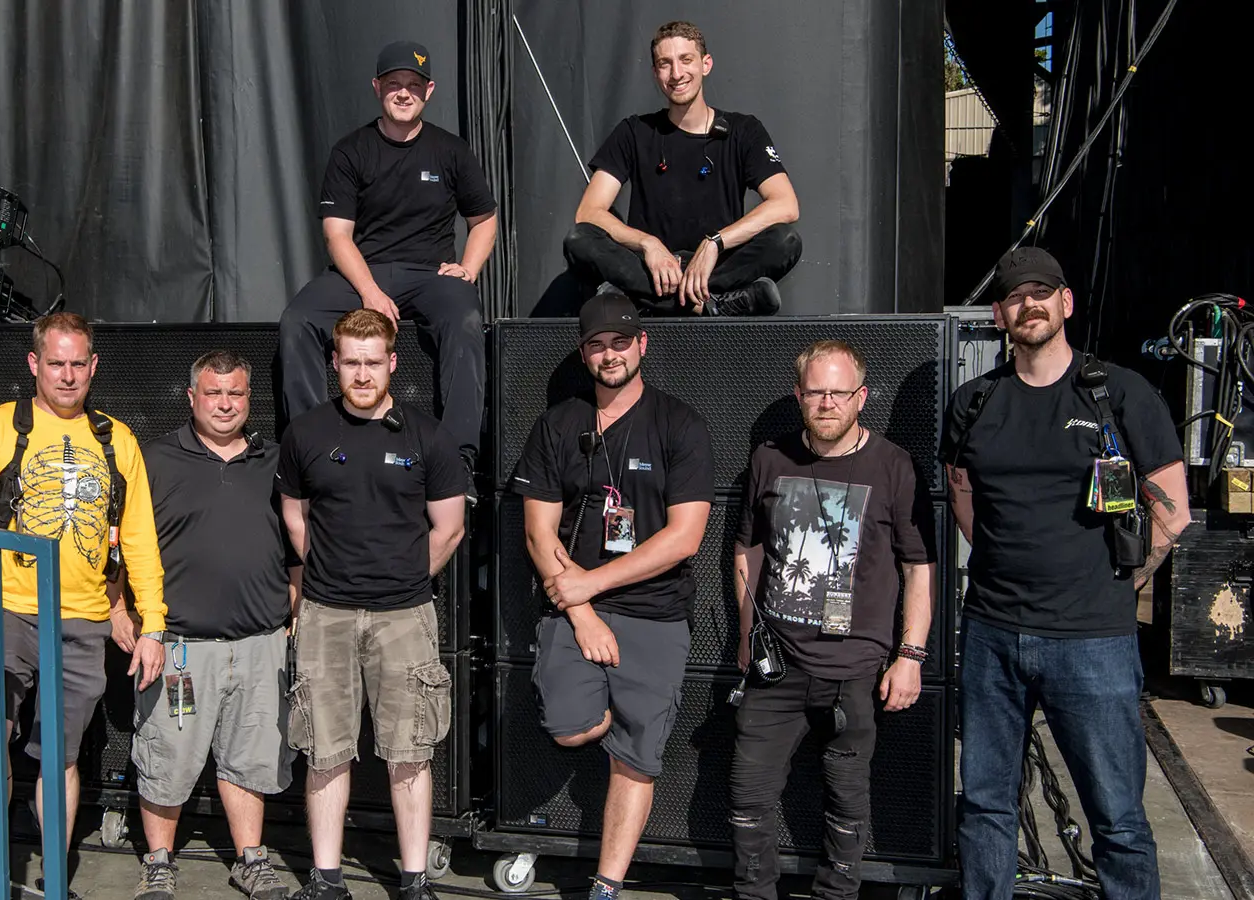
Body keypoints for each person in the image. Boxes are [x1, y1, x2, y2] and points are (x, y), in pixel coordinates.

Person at [941, 248, 1192, 900]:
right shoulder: (974, 402)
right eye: (1015, 296)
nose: (1029, 304)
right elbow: (962, 492)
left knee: (1117, 818)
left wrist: (1123, 582)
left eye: (1041, 292)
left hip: (1093, 641)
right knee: (985, 807)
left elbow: (1173, 509)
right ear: (999, 314)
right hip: (992, 633)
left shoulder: (1119, 393)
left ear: (1065, 302)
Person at [0, 312, 166, 900]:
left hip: (83, 617)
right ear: (34, 363)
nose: (67, 376)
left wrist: (153, 623)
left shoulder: (116, 440)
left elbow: (139, 538)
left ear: (94, 366)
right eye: (56, 363)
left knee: (60, 756)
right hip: (6, 608)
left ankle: (54, 880)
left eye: (78, 364)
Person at [509, 292, 714, 900]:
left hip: (655, 613)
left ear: (642, 344)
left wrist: (593, 583)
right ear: (583, 354)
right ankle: (609, 716)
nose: (610, 354)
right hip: (573, 609)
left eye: (620, 342)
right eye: (596, 345)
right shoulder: (558, 424)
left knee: (638, 757)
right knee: (569, 727)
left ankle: (606, 885)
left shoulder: (680, 423)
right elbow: (538, 533)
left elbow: (685, 538)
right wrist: (583, 612)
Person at [731, 340, 937, 900]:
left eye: (839, 393)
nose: (827, 403)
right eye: (816, 392)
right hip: (777, 666)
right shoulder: (769, 458)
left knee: (847, 803)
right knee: (748, 799)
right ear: (798, 395)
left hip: (856, 669)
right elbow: (748, 548)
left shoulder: (894, 465)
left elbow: (918, 566)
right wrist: (748, 633)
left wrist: (911, 655)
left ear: (861, 397)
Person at [276, 309, 467, 900]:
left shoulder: (426, 436)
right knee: (324, 750)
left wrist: (399, 578)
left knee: (410, 752)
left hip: (404, 616)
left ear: (392, 363)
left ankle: (414, 881)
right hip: (325, 615)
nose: (362, 374)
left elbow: (450, 529)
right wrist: (333, 575)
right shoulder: (305, 434)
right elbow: (294, 517)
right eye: (351, 362)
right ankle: (326, 880)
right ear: (334, 363)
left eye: (373, 362)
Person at [121, 351, 302, 900]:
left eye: (236, 393)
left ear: (250, 399)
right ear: (191, 397)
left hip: (260, 644)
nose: (225, 404)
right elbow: (120, 543)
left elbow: (297, 542)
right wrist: (117, 612)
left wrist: (295, 605)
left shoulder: (276, 460)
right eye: (214, 393)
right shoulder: (154, 459)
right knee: (168, 757)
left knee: (252, 757)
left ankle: (251, 860)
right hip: (179, 648)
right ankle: (158, 864)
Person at [279, 39, 498, 468]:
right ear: (377, 87)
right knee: (297, 320)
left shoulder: (451, 150)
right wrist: (370, 292)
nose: (404, 93)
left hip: (430, 275)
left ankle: (457, 461)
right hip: (362, 271)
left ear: (429, 91)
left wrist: (468, 269)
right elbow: (337, 235)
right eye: (394, 83)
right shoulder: (351, 150)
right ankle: (310, 452)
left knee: (467, 319)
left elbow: (484, 220)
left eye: (414, 85)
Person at [564, 20, 801, 318]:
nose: (676, 73)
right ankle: (711, 305)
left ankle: (642, 300)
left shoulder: (744, 130)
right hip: (649, 269)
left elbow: (785, 205)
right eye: (665, 64)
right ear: (655, 73)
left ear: (706, 64)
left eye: (686, 60)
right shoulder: (634, 131)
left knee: (785, 241)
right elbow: (588, 212)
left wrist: (714, 243)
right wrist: (648, 244)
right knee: (580, 240)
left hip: (717, 265)